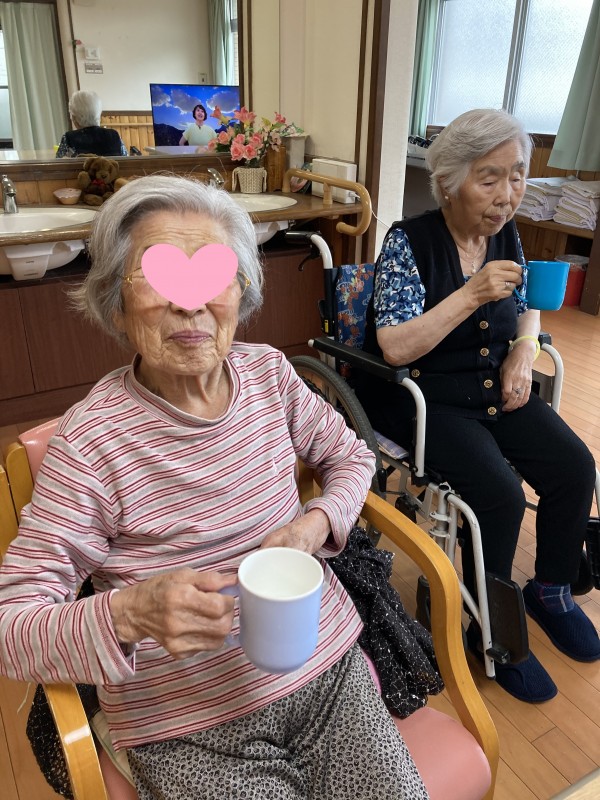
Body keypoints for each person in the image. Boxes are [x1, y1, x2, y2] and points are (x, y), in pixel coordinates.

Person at [0, 175, 428, 800]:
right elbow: (13, 625)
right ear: (115, 304)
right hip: (188, 725)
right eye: (159, 277)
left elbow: (350, 456)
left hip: (327, 672)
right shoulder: (90, 442)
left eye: (213, 276)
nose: (190, 303)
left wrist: (313, 526)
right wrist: (131, 612)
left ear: (240, 293)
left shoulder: (271, 375)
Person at [355, 108, 599, 704]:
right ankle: (490, 631)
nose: (506, 194)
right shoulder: (408, 242)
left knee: (575, 466)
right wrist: (469, 295)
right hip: (426, 398)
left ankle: (550, 590)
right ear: (448, 182)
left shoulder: (505, 234)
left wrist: (522, 351)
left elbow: (527, 305)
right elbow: (394, 345)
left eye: (516, 176)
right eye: (489, 178)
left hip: (495, 389)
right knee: (499, 494)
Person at [56, 90, 128, 157]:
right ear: (98, 113)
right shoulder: (114, 135)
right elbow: (126, 160)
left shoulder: (68, 138)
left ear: (74, 117)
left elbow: (58, 163)